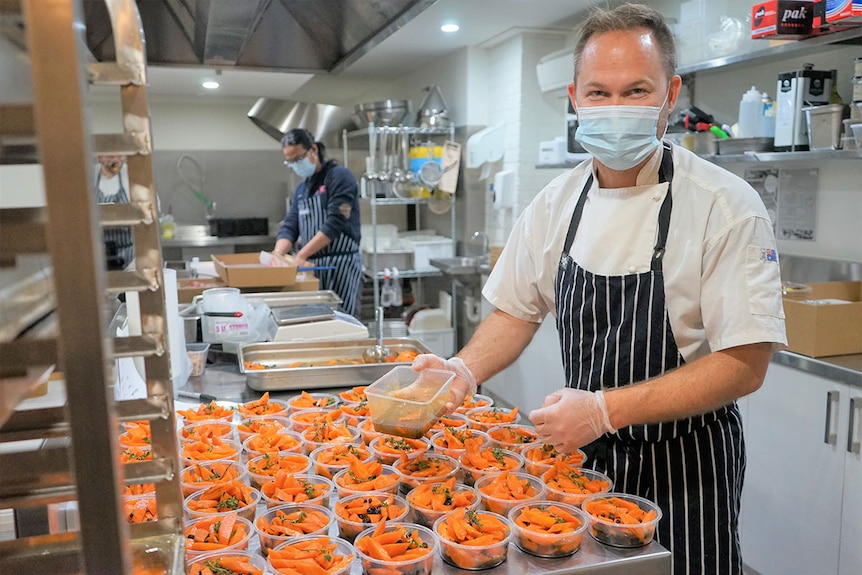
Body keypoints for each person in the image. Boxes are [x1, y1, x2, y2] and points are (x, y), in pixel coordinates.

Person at [412, 4, 786, 574]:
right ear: (575, 97)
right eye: (599, 92)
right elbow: (516, 310)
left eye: (636, 91)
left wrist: (608, 409)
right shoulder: (556, 203)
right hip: (578, 462)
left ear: (670, 94)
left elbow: (744, 363)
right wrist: (462, 371)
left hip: (686, 465)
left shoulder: (725, 206)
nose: (616, 109)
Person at [274, 128, 363, 317]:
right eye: (290, 162)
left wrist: (301, 254)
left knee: (343, 320)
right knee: (315, 320)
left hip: (341, 265)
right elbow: (291, 225)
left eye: (298, 159)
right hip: (312, 268)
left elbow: (335, 223)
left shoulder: (339, 177)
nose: (295, 165)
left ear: (313, 150)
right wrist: (277, 254)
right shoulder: (302, 189)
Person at [94, 154, 133, 270]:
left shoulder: (130, 175)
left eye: (119, 156)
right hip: (99, 254)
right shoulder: (92, 175)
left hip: (129, 254)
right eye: (111, 156)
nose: (117, 160)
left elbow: (153, 207)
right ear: (100, 158)